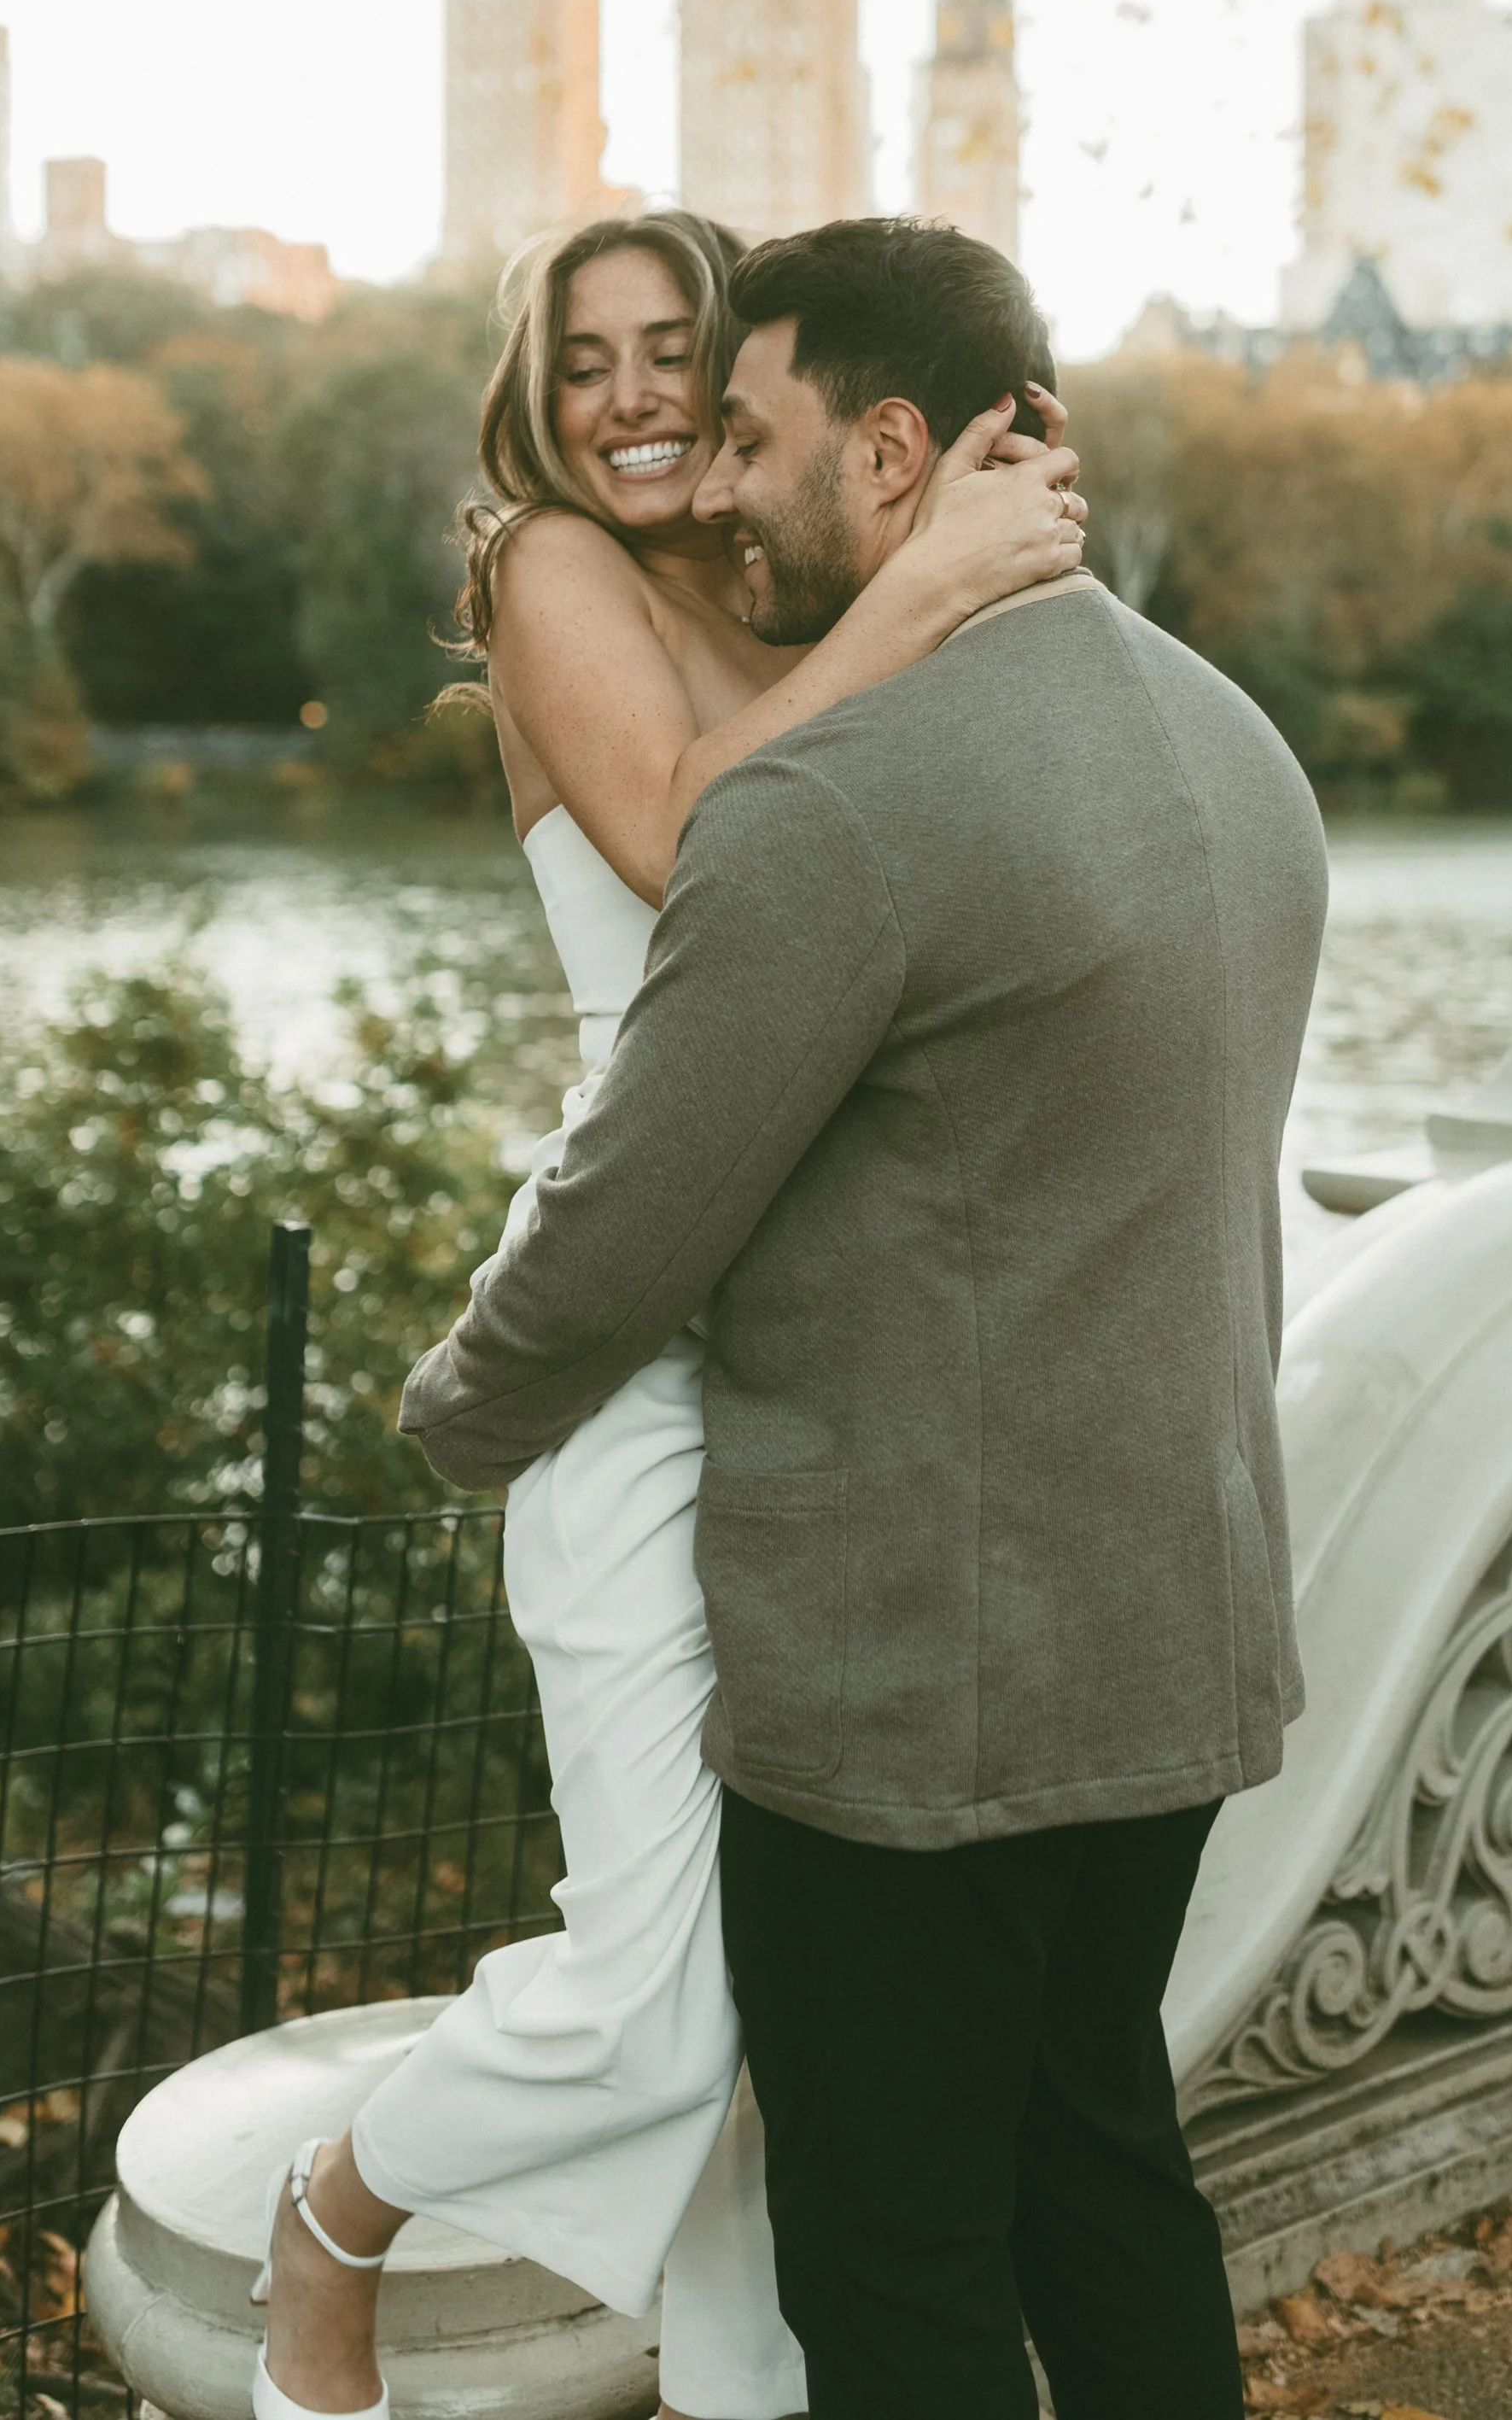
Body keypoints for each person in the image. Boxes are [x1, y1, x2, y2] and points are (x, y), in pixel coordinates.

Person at [402, 216, 1330, 2420]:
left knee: (893, 2265)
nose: (710, 479)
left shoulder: (844, 805)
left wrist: (459, 1411)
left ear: (893, 452)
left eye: (751, 429)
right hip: (1174, 1634)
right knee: (1102, 2172)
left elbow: (637, 1218)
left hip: (925, 1690)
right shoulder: (1236, 747)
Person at [250, 209, 1087, 2420]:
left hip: (847, 1336)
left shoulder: (787, 580)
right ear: (537, 393)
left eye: (671, 355)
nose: (627, 395)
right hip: (635, 1321)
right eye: (585, 356)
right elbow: (686, 838)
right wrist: (925, 588)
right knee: (660, 1997)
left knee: (784, 1995)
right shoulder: (553, 570)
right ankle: (335, 2210)